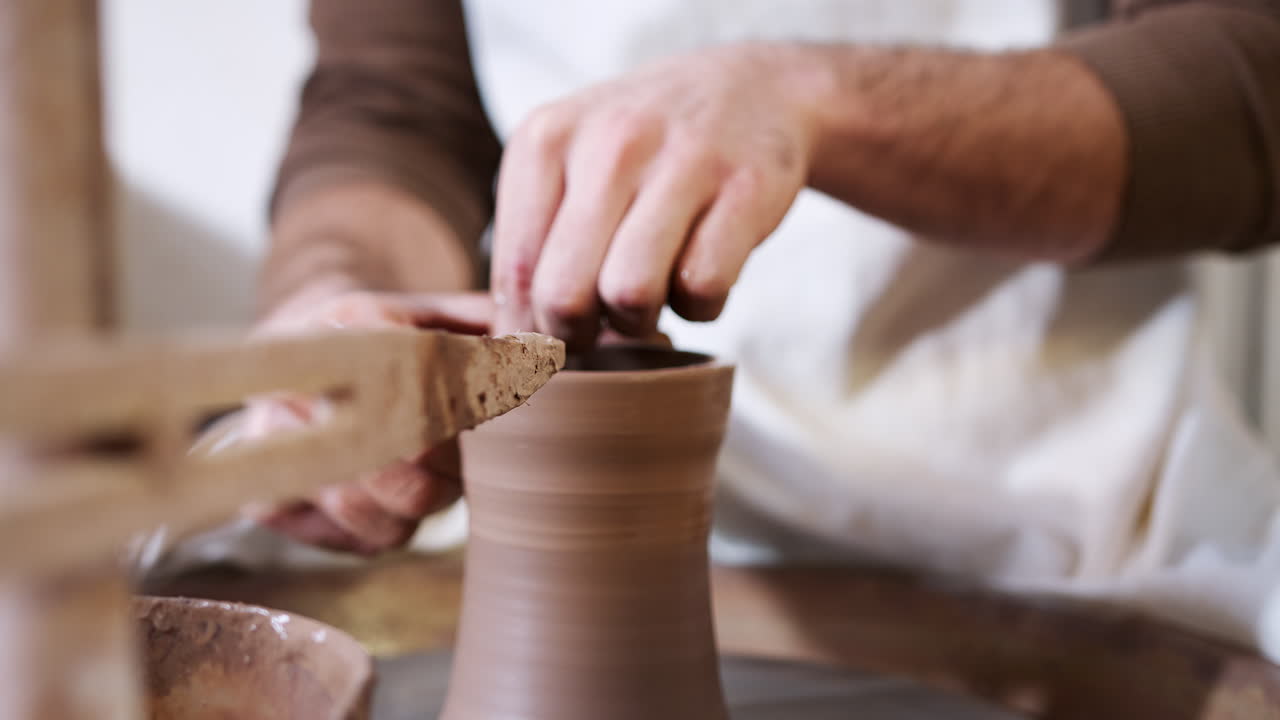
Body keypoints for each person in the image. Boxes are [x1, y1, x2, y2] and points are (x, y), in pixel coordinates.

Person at [242, 0, 1280, 659]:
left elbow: (1252, 72)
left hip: (1075, 520)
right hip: (598, 552)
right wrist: (333, 310)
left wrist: (816, 96)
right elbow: (392, 109)